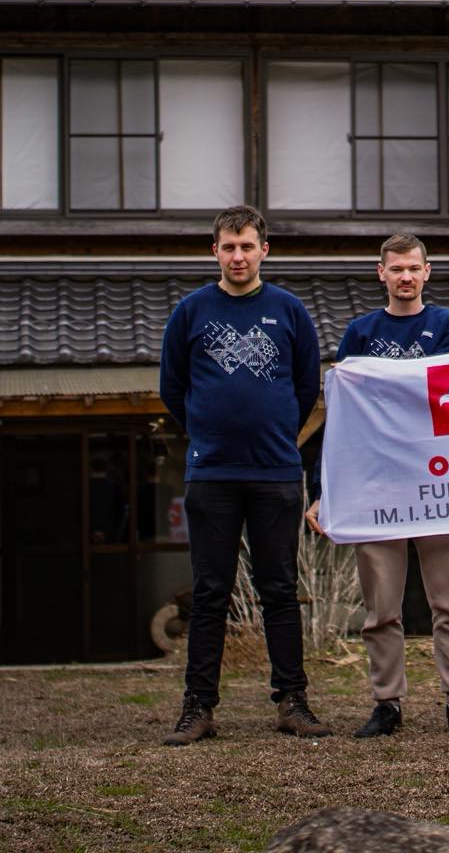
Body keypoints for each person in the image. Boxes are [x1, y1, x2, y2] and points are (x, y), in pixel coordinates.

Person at [158, 205, 332, 744]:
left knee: (279, 589)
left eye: (247, 246)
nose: (238, 256)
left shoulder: (288, 310)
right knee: (211, 591)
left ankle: (292, 701)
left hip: (276, 471)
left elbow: (307, 388)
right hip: (211, 473)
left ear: (264, 250)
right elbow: (173, 387)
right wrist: (210, 434)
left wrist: (277, 434)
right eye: (229, 247)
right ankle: (198, 707)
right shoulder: (191, 311)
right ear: (215, 251)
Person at [309, 233, 449, 738]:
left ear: (427, 272)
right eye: (397, 269)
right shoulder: (361, 332)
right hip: (377, 486)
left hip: (440, 482)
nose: (405, 277)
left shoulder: (448, 325)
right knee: (380, 608)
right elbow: (344, 418)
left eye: (414, 268)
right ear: (381, 273)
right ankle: (387, 703)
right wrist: (328, 489)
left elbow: (445, 392)